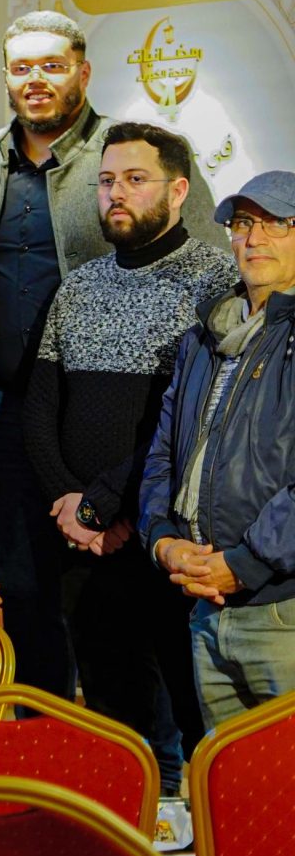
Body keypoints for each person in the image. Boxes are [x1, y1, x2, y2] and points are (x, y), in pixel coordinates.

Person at [0, 12, 219, 698]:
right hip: (5, 413)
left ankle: (143, 750)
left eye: (52, 65)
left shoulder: (131, 152)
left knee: (130, 608)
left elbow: (201, 268)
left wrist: (106, 492)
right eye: (21, 67)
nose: (36, 80)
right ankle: (48, 741)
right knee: (24, 588)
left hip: (128, 425)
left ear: (83, 71)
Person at [24, 124, 240, 790]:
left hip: (164, 530)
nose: (116, 193)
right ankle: (131, 834)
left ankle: (199, 838)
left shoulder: (216, 280)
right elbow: (40, 405)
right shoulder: (79, 286)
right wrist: (70, 504)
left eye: (135, 179)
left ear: (177, 191)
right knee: (113, 713)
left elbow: (195, 422)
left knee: (192, 707)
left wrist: (107, 505)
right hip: (82, 540)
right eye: (107, 181)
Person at [142, 171, 295, 723]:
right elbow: (164, 452)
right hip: (205, 605)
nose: (254, 238)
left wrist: (247, 563)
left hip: (282, 611)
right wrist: (162, 540)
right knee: (225, 773)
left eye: (277, 223)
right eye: (243, 223)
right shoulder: (204, 338)